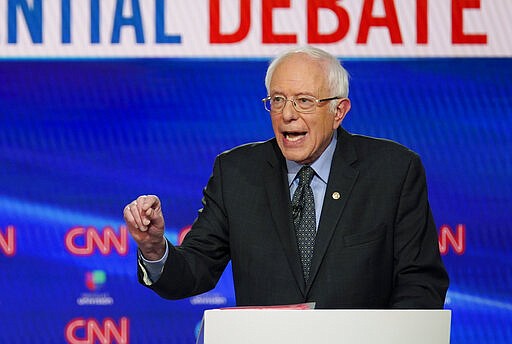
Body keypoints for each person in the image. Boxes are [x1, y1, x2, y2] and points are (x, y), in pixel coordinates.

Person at [123, 46, 449, 309]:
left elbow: (419, 283)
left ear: (338, 111)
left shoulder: (392, 171)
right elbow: (194, 272)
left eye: (304, 101)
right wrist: (154, 249)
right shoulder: (236, 172)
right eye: (277, 100)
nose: (287, 114)